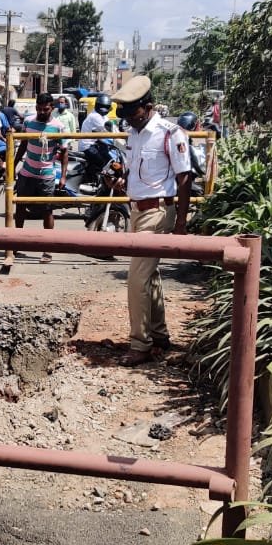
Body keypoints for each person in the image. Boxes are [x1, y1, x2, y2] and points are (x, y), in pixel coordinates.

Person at [115, 75, 192, 365]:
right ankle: (159, 335)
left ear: (147, 107)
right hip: (137, 211)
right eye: (123, 113)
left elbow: (185, 177)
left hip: (158, 212)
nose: (127, 118)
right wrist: (124, 181)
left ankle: (140, 344)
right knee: (150, 276)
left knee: (136, 279)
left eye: (131, 112)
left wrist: (181, 224)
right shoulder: (133, 133)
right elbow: (136, 168)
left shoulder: (170, 133)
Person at [13, 91, 68, 263]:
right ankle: (15, 246)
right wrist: (13, 166)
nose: (41, 112)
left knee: (47, 211)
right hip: (27, 173)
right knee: (20, 208)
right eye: (39, 109)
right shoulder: (28, 121)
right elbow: (23, 144)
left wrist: (63, 176)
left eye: (45, 109)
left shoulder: (58, 126)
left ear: (52, 108)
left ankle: (47, 249)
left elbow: (64, 151)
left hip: (46, 176)